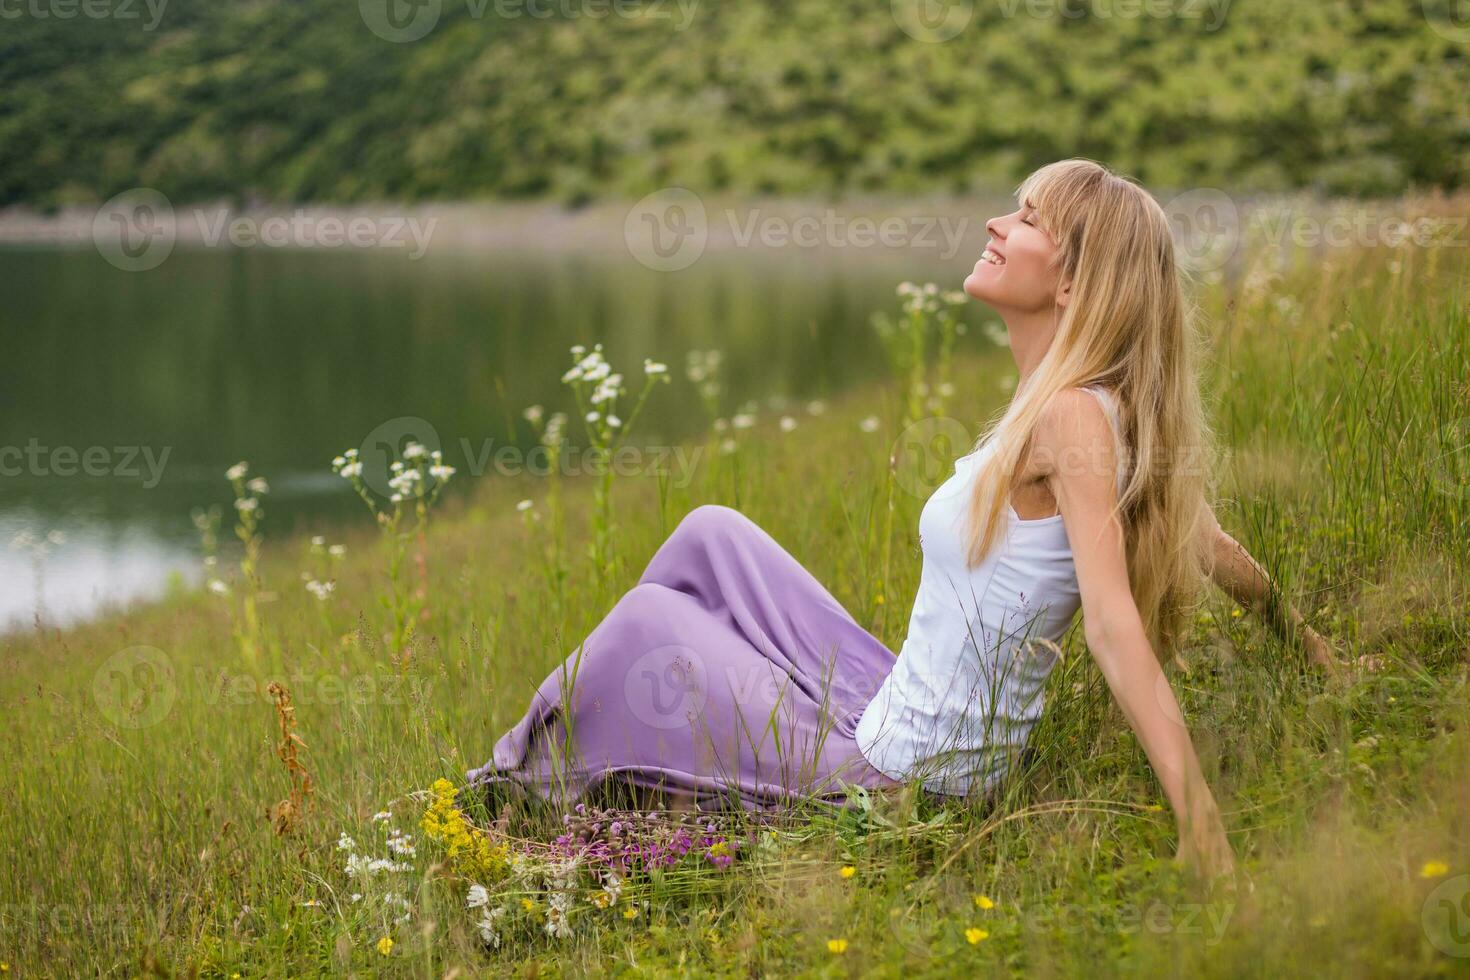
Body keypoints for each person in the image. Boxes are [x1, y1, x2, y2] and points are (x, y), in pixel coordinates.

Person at [467, 159, 1336, 878]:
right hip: (893, 702)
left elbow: (1112, 626)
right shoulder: (1087, 406)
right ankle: (622, 769)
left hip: (908, 772)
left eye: (1026, 218)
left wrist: (1201, 823)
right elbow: (1213, 547)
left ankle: (498, 796)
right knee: (710, 532)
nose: (997, 223)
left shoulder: (1072, 419)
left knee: (648, 624)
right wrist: (1312, 649)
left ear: (1072, 280)